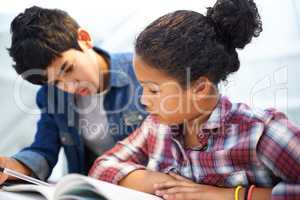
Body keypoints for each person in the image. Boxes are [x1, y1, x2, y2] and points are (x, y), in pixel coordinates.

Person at [89, 0, 300, 199]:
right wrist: (167, 185)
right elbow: (101, 167)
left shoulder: (261, 131)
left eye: (153, 91)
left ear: (200, 89)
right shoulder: (155, 127)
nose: (143, 100)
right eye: (142, 87)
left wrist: (222, 195)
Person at [0, 6, 147, 185]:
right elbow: (44, 151)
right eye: (56, 82)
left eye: (69, 68)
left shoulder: (144, 72)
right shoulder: (51, 96)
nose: (69, 86)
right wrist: (11, 166)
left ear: (84, 39)